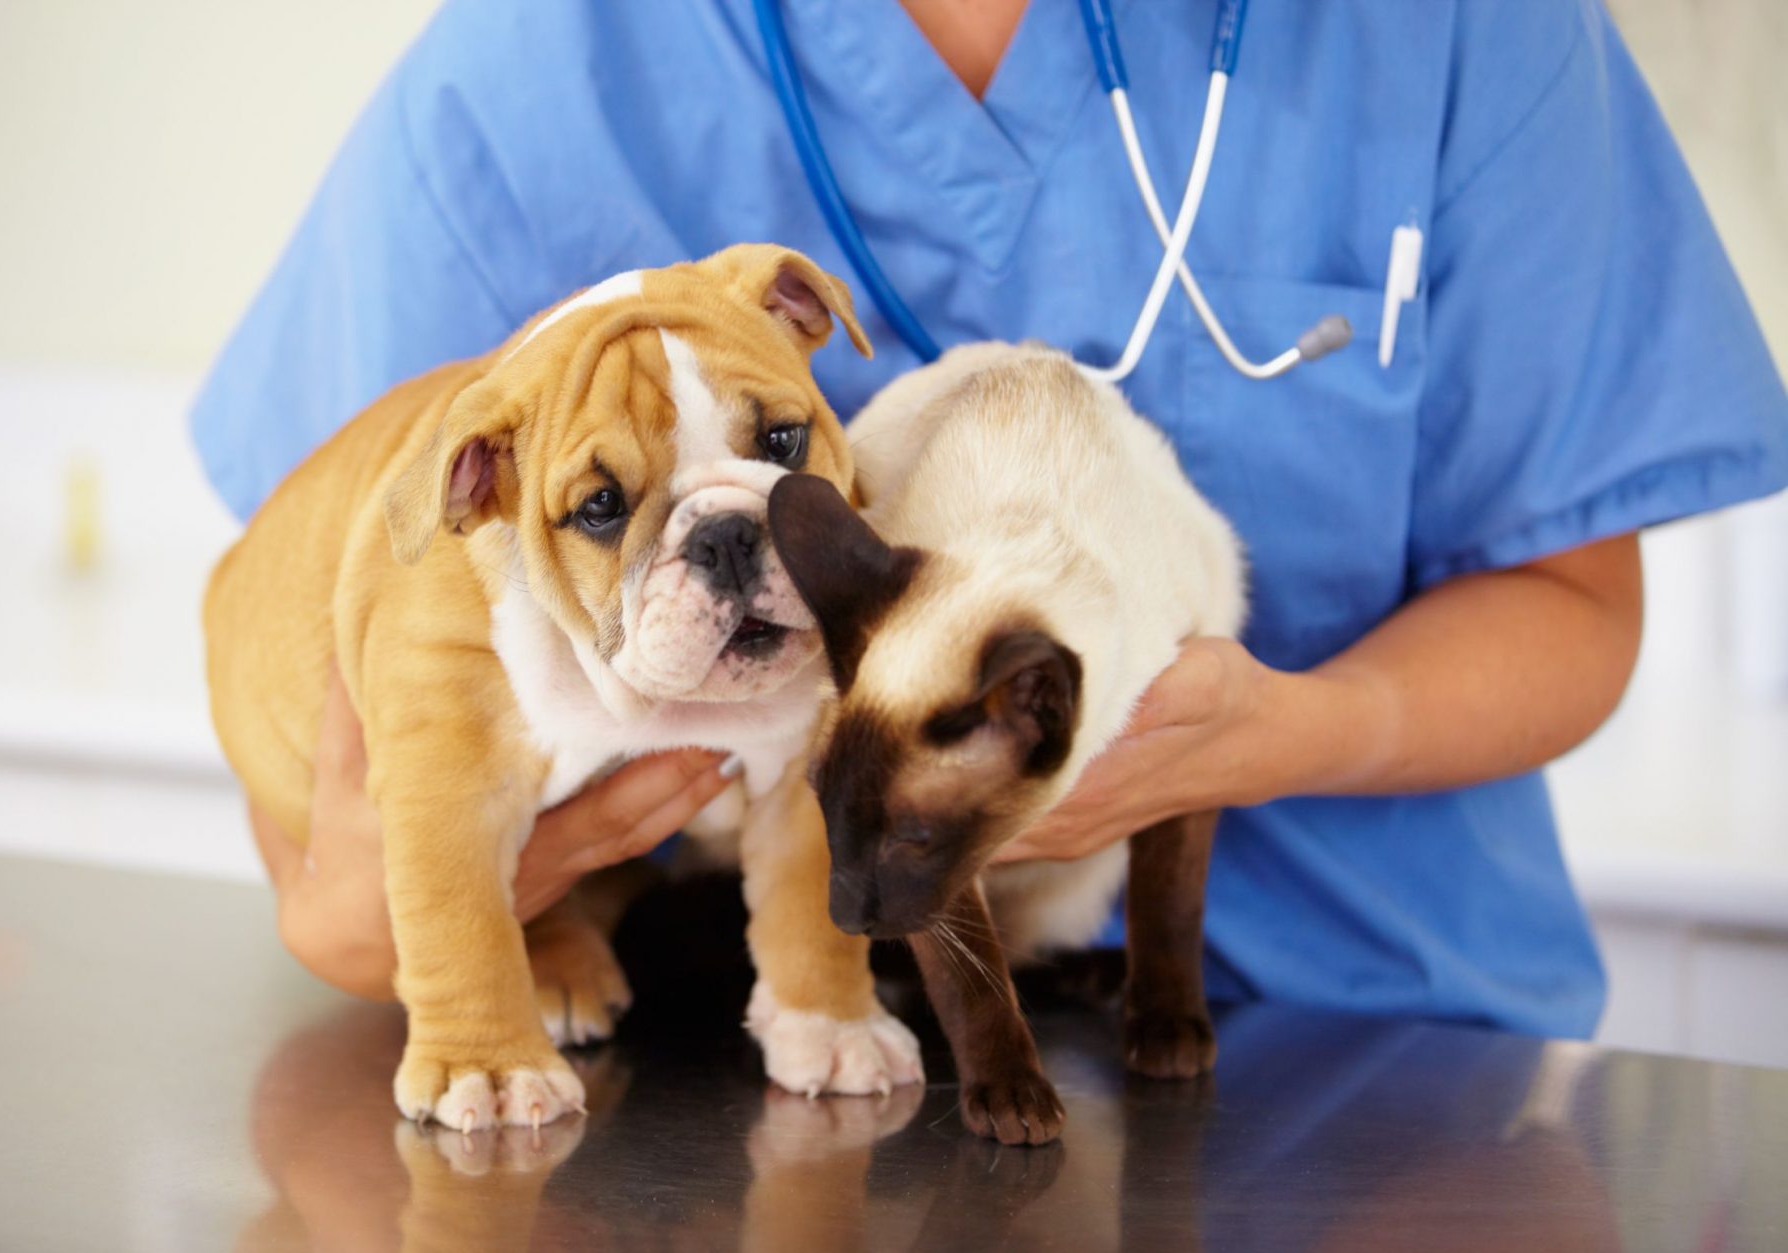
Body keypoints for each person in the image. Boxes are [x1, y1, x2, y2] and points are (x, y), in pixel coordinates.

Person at [193, 0, 1788, 1035]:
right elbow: (321, 645)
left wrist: (1278, 733)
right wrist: (375, 914)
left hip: (1350, 1036)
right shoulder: (534, 75)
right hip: (719, 1061)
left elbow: (1575, 608)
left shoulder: (1456, 34)